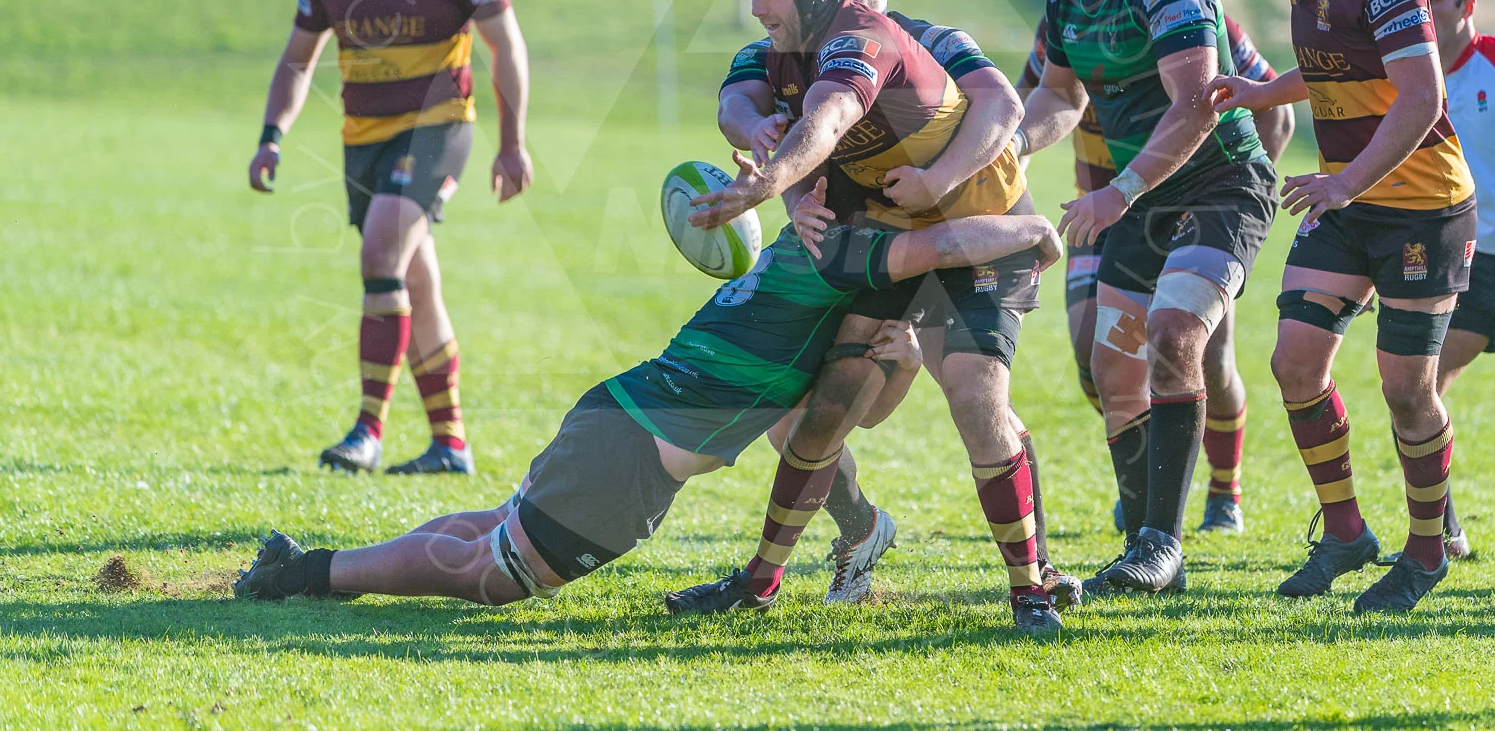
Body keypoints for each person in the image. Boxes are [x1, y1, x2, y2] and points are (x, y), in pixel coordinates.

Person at [231, 182, 1064, 618]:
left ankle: (307, 567)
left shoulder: (805, 257)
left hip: (622, 419)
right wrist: (1032, 231)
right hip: (632, 457)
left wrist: (908, 358)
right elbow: (947, 243)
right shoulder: (845, 253)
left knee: (495, 528)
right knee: (493, 576)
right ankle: (305, 575)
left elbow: (850, 415)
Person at [673, 0, 1064, 634]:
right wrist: (763, 147)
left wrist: (938, 177)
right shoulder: (786, 48)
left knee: (978, 398)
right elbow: (744, 104)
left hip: (980, 231)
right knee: (828, 403)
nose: (757, 6)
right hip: (892, 236)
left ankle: (1032, 587)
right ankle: (762, 580)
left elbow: (986, 108)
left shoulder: (883, 38)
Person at [1209, 0, 1476, 613]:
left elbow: (1422, 98)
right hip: (1349, 201)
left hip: (1423, 211)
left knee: (1405, 390)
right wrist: (1267, 94)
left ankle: (1425, 553)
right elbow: (1341, 65)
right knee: (1295, 363)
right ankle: (1347, 533)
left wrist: (1343, 182)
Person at [1016, 0, 1278, 594]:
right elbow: (1059, 98)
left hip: (1222, 186)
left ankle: (1163, 542)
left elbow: (1198, 106)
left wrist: (1116, 192)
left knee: (1173, 337)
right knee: (1112, 372)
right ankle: (1144, 545)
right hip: (1144, 197)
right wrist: (1008, 145)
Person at [246, 0, 533, 475]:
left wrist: (511, 144)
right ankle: (450, 444)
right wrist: (271, 136)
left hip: (439, 127)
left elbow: (507, 49)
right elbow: (297, 62)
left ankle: (367, 431)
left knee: (380, 251)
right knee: (415, 283)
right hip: (364, 141)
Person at [1017, 0, 1295, 534]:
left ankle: (1223, 487)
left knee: (1203, 359)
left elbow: (1277, 117)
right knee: (1095, 357)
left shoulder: (1202, 24)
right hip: (1100, 210)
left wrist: (1231, 212)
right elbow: (1026, 114)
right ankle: (1148, 484)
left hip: (1194, 206)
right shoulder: (1067, 27)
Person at [1406, 0, 1487, 560]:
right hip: (1465, 261)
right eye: (1415, 2)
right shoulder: (1402, 77)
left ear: (1468, 6)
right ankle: (1443, 534)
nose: (1423, 14)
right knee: (1415, 388)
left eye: (1432, 1)